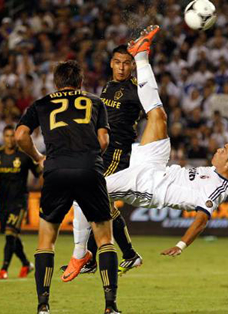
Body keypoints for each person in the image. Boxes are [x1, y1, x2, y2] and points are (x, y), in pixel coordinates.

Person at [64, 25, 228, 281]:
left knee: (83, 194)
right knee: (158, 116)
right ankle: (142, 54)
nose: (218, 150)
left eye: (223, 151)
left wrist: (182, 244)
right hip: (157, 166)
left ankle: (81, 255)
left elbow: (202, 219)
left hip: (149, 186)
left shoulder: (219, 188)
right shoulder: (215, 171)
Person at [15, 60, 120, 314]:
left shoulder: (40, 103)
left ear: (56, 83)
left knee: (46, 242)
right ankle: (110, 306)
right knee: (105, 239)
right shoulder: (95, 102)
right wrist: (88, 157)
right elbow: (104, 140)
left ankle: (43, 306)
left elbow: (20, 135)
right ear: (80, 82)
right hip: (89, 170)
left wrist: (38, 157)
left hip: (56, 170)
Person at [60, 45, 143, 280]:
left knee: (95, 197)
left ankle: (122, 254)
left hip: (118, 152)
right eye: (117, 62)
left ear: (133, 65)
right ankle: (94, 258)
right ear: (111, 63)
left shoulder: (137, 90)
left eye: (126, 63)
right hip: (100, 150)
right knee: (94, 202)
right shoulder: (108, 86)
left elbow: (155, 113)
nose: (121, 67)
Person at [0, 125, 41, 280]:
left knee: (10, 234)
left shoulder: (23, 156)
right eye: (7, 136)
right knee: (11, 236)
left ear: (16, 138)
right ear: (3, 137)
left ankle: (3, 269)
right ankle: (26, 264)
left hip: (19, 201)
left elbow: (39, 172)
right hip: (3, 201)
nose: (9, 139)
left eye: (12, 136)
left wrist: (40, 184)